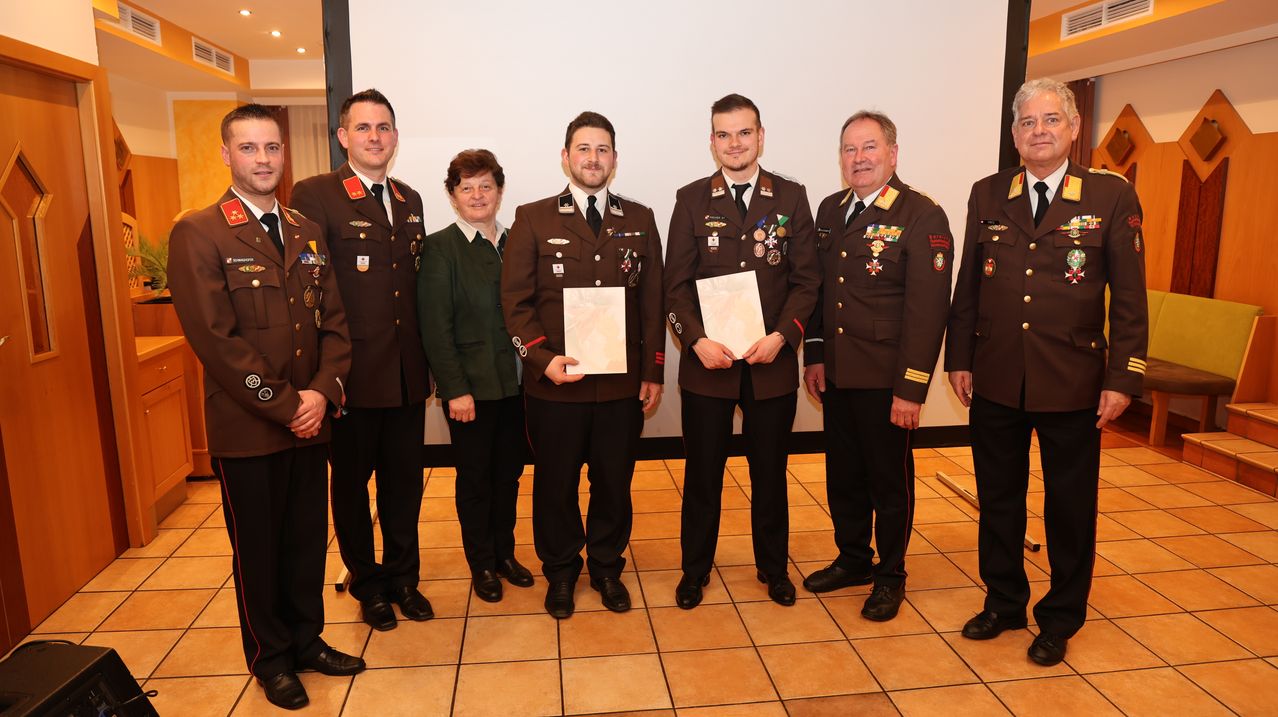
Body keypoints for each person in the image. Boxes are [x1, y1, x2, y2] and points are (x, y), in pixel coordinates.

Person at [946, 78, 1147, 666]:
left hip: (1074, 381)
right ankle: (1004, 601)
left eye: (1051, 120)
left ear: (1074, 128)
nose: (1039, 131)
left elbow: (1130, 300)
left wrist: (1122, 377)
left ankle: (1060, 617)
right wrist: (959, 357)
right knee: (999, 499)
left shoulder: (1111, 197)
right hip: (998, 375)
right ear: (1014, 134)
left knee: (1068, 507)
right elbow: (969, 287)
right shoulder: (988, 193)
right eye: (1028, 122)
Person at [168, 103, 362, 710]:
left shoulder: (304, 228)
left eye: (272, 148)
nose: (262, 159)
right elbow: (215, 341)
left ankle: (308, 641)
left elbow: (334, 321)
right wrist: (285, 405)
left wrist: (323, 391)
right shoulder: (199, 231)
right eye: (249, 148)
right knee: (259, 549)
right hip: (250, 428)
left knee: (306, 540)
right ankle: (271, 658)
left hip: (310, 419)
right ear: (226, 154)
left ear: (285, 155)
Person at [501, 111, 665, 619]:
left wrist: (653, 371)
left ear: (614, 159)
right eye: (584, 149)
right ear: (566, 156)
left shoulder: (639, 219)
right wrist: (541, 359)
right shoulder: (533, 217)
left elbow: (653, 301)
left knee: (613, 482)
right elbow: (515, 302)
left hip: (619, 386)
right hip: (556, 385)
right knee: (557, 483)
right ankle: (561, 571)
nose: (593, 158)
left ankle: (607, 567)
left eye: (603, 150)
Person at [664, 94, 819, 609]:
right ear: (712, 142)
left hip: (770, 365)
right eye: (724, 135)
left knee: (770, 474)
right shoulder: (689, 199)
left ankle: (773, 569)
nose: (735, 144)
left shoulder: (792, 197)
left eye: (744, 133)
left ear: (761, 136)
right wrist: (696, 341)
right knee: (703, 476)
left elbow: (807, 283)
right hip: (707, 367)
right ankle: (694, 571)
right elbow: (675, 288)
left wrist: (783, 337)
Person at [800, 111, 954, 622]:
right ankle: (852, 559)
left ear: (892, 153)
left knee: (889, 482)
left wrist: (911, 388)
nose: (859, 158)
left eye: (869, 148)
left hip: (888, 381)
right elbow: (821, 294)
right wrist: (816, 356)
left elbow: (927, 312)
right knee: (843, 475)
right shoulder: (830, 210)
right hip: (840, 374)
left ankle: (890, 574)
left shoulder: (921, 215)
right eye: (849, 149)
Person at [290, 89, 433, 632]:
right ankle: (367, 584)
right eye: (364, 128)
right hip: (349, 378)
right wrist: (322, 378)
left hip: (405, 375)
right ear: (343, 136)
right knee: (350, 489)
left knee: (404, 485)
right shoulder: (316, 195)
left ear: (395, 137)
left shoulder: (410, 197)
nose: (375, 137)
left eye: (385, 127)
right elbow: (309, 291)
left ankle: (403, 578)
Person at [418, 149, 534, 602]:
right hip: (471, 390)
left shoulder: (518, 241)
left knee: (509, 474)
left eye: (486, 185)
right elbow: (436, 327)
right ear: (452, 196)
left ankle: (506, 554)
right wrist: (455, 390)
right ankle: (482, 563)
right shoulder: (440, 248)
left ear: (500, 191)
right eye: (467, 187)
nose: (478, 195)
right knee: (475, 478)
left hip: (519, 385)